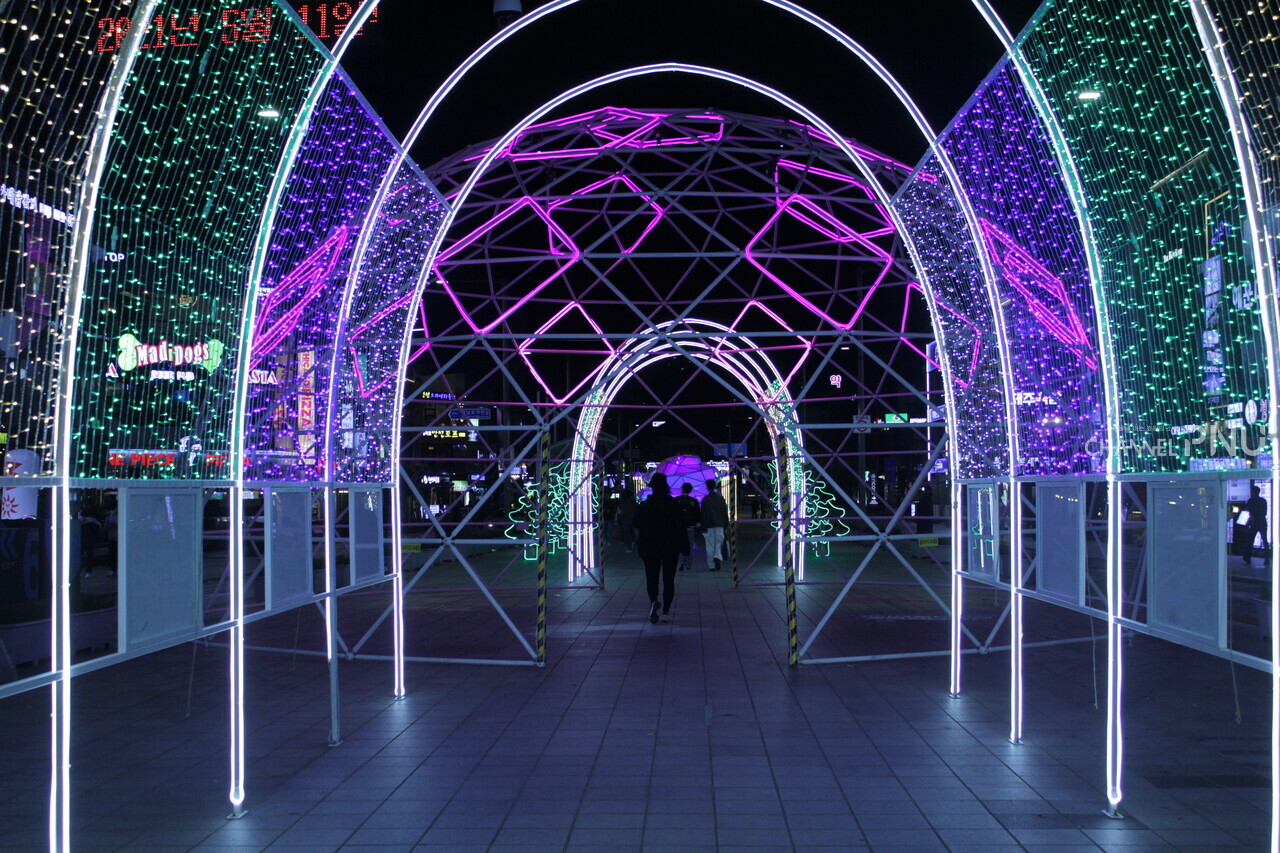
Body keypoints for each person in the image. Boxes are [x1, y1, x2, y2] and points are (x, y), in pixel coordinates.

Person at [632, 472, 684, 622]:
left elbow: (636, 522)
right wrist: (685, 549)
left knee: (652, 578)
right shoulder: (674, 505)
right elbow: (680, 527)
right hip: (670, 547)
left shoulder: (645, 506)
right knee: (669, 580)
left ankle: (654, 601)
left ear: (652, 488)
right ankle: (666, 610)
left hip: (650, 547)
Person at [701, 479, 729, 571]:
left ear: (707, 487)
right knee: (718, 543)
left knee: (709, 544)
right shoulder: (720, 499)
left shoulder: (705, 500)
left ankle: (711, 566)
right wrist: (726, 524)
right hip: (720, 524)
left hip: (709, 525)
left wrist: (703, 526)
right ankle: (717, 556)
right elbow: (724, 512)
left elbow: (703, 514)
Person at [675, 482, 701, 570]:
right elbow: (698, 514)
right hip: (690, 526)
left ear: (682, 489)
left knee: (678, 545)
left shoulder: (676, 500)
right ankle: (688, 565)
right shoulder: (693, 501)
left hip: (678, 527)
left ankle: (680, 562)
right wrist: (697, 523)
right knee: (690, 545)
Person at [1246, 484, 1269, 565]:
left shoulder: (1251, 500)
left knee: (1250, 540)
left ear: (1253, 492)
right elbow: (1265, 513)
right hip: (1263, 521)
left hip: (1254, 522)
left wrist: (1248, 523)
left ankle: (1247, 557)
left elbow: (1251, 513)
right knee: (1265, 540)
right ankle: (1267, 559)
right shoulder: (1263, 500)